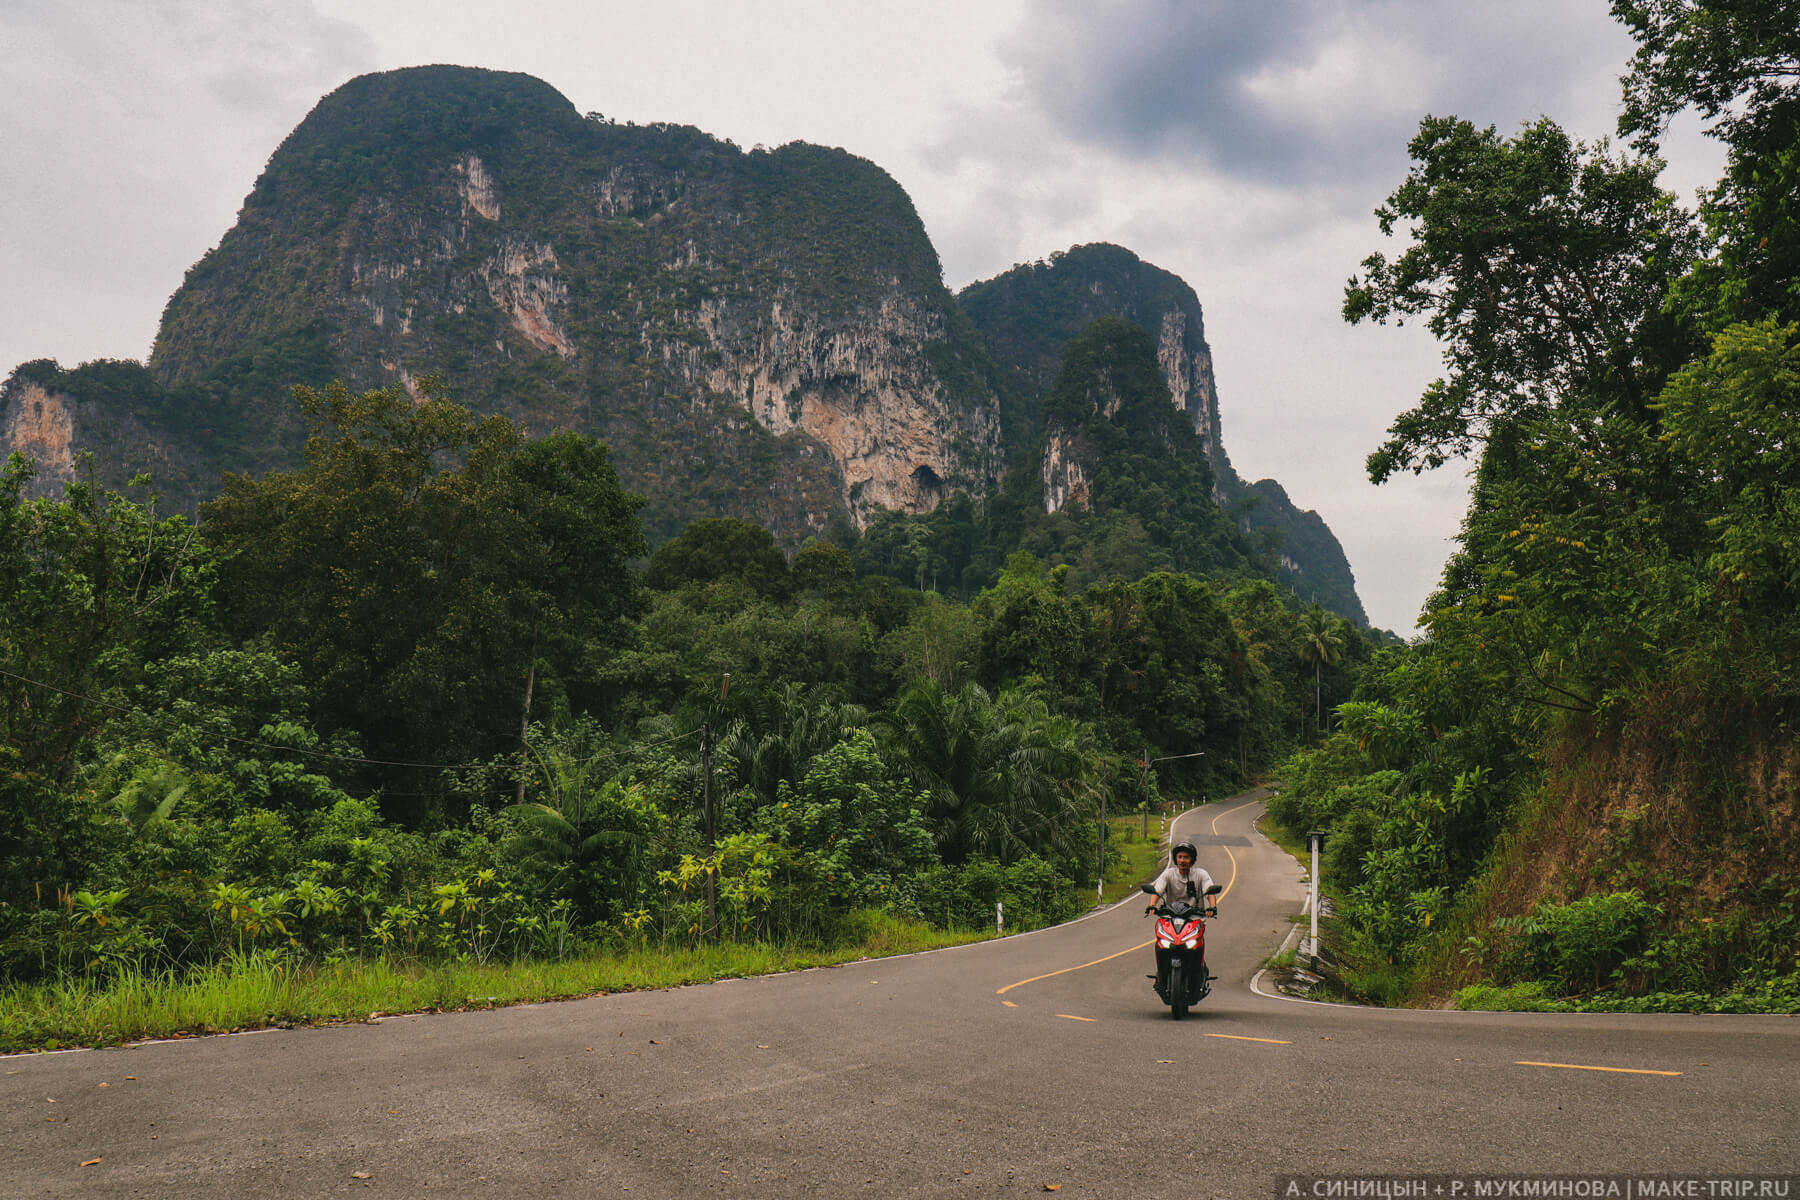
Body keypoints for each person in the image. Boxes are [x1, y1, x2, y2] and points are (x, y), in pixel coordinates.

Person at [1144, 841, 1218, 986]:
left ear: (1192, 860)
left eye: (1186, 857)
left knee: (1196, 945)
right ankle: (1161, 974)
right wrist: (1152, 906)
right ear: (1175, 858)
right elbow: (1157, 891)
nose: (1182, 860)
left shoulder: (1200, 874)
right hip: (1170, 918)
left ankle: (1199, 971)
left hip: (1194, 919)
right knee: (1161, 944)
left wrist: (1212, 907)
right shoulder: (1168, 874)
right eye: (1179, 857)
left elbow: (1209, 890)